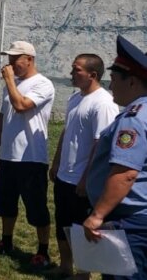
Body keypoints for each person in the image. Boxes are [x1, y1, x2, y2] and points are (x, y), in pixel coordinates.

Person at [48, 54, 118, 278]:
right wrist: (56, 162)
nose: (71, 73)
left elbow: (100, 145)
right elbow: (67, 132)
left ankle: (82, 274)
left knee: (80, 229)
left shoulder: (103, 103)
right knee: (63, 224)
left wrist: (86, 179)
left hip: (82, 181)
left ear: (92, 75)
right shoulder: (75, 98)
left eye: (76, 70)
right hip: (64, 176)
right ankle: (65, 266)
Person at [0, 41, 55, 268]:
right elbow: (4, 116)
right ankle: (6, 242)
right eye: (9, 59)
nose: (10, 64)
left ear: (30, 59)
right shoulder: (14, 83)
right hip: (9, 155)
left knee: (36, 207)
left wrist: (8, 81)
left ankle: (43, 251)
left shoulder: (43, 84)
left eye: (15, 59)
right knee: (6, 203)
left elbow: (22, 105)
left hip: (31, 157)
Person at [84, 35, 147, 279]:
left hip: (131, 222)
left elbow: (125, 172)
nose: (110, 87)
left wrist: (97, 215)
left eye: (113, 79)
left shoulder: (134, 118)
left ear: (131, 81)